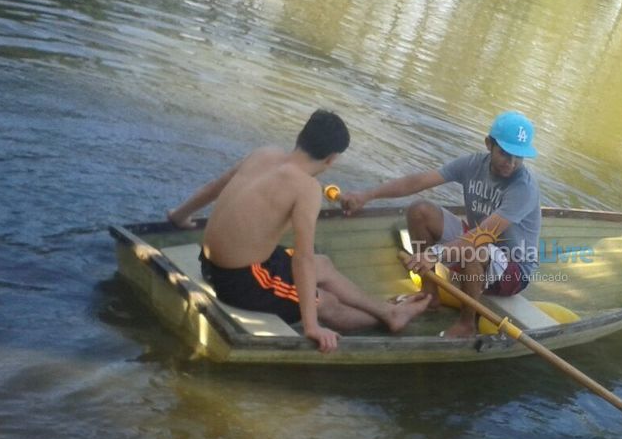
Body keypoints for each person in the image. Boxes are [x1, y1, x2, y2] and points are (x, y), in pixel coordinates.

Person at [166, 110, 428, 353]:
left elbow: (215, 187)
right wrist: (311, 325)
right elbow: (302, 259)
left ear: (300, 136)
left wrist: (180, 215)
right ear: (332, 159)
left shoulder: (264, 154)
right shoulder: (307, 188)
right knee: (324, 301)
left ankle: (388, 311)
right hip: (239, 282)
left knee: (322, 265)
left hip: (210, 262)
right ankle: (390, 316)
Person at [338, 111, 542, 337]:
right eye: (505, 153)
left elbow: (482, 235)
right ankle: (429, 294)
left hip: (513, 271)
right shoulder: (473, 164)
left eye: (518, 157)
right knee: (420, 210)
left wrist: (435, 254)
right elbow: (417, 181)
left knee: (476, 250)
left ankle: (467, 324)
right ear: (488, 144)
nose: (511, 163)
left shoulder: (524, 188)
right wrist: (367, 195)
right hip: (480, 248)